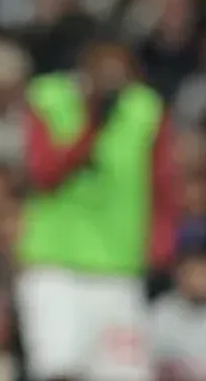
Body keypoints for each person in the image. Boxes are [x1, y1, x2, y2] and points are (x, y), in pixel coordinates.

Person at [16, 36, 180, 381]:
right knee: (59, 371)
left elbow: (164, 186)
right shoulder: (48, 98)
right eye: (102, 65)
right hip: (55, 270)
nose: (110, 75)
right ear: (84, 65)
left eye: (117, 66)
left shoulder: (146, 110)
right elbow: (43, 174)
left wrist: (160, 247)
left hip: (119, 272)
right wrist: (91, 125)